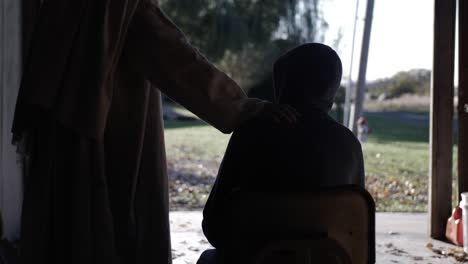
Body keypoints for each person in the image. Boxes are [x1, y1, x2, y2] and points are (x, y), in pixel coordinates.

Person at [12, 1, 299, 264]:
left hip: (59, 130)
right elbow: (172, 56)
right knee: (105, 230)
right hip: (102, 132)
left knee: (63, 231)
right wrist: (242, 107)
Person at [202, 43, 365, 251]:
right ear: (331, 93)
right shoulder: (349, 145)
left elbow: (214, 224)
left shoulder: (250, 133)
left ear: (281, 86)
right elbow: (354, 227)